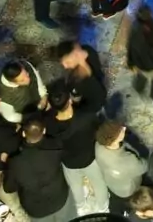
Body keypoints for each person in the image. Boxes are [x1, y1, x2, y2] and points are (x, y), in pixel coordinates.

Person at [44, 79, 109, 214]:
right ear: (69, 100)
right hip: (88, 158)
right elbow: (97, 129)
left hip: (68, 161)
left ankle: (81, 206)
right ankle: (103, 207)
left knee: (75, 186)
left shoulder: (48, 122)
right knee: (99, 183)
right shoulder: (85, 116)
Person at [3, 118, 77, 222]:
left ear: (23, 133)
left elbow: (9, 188)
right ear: (44, 131)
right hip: (60, 199)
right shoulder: (55, 146)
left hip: (36, 210)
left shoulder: (14, 162)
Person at [95, 120, 148, 215]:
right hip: (128, 191)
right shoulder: (128, 160)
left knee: (115, 204)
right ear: (116, 138)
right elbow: (144, 167)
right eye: (121, 130)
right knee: (129, 203)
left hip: (111, 183)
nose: (124, 128)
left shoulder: (98, 146)